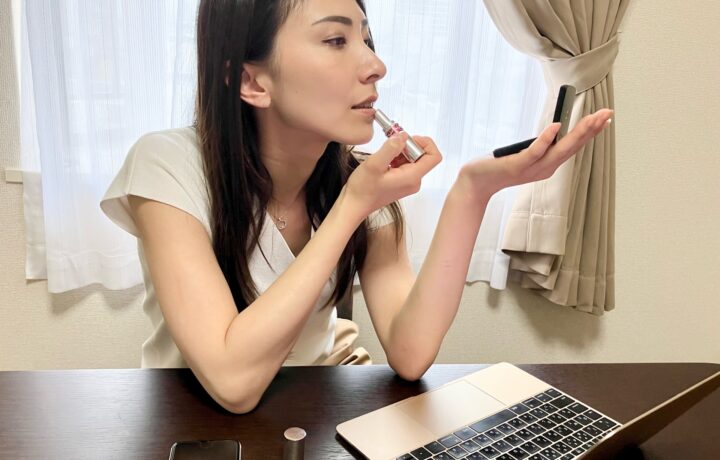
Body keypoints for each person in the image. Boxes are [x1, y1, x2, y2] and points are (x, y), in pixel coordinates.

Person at [101, 0, 613, 414]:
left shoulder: (356, 181)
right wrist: (352, 207)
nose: (375, 65)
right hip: (190, 423)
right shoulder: (167, 166)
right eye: (335, 40)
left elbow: (411, 352)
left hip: (320, 411)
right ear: (252, 82)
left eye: (366, 39)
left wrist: (471, 193)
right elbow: (233, 384)